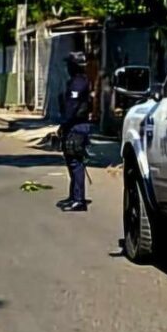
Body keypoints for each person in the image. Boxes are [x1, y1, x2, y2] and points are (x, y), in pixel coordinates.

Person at [58, 52, 91, 212]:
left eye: (69, 64)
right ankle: (73, 196)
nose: (67, 67)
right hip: (74, 126)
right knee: (72, 162)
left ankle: (79, 200)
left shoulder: (78, 83)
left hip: (77, 126)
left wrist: (64, 124)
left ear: (74, 66)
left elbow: (72, 107)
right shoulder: (77, 81)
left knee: (76, 163)